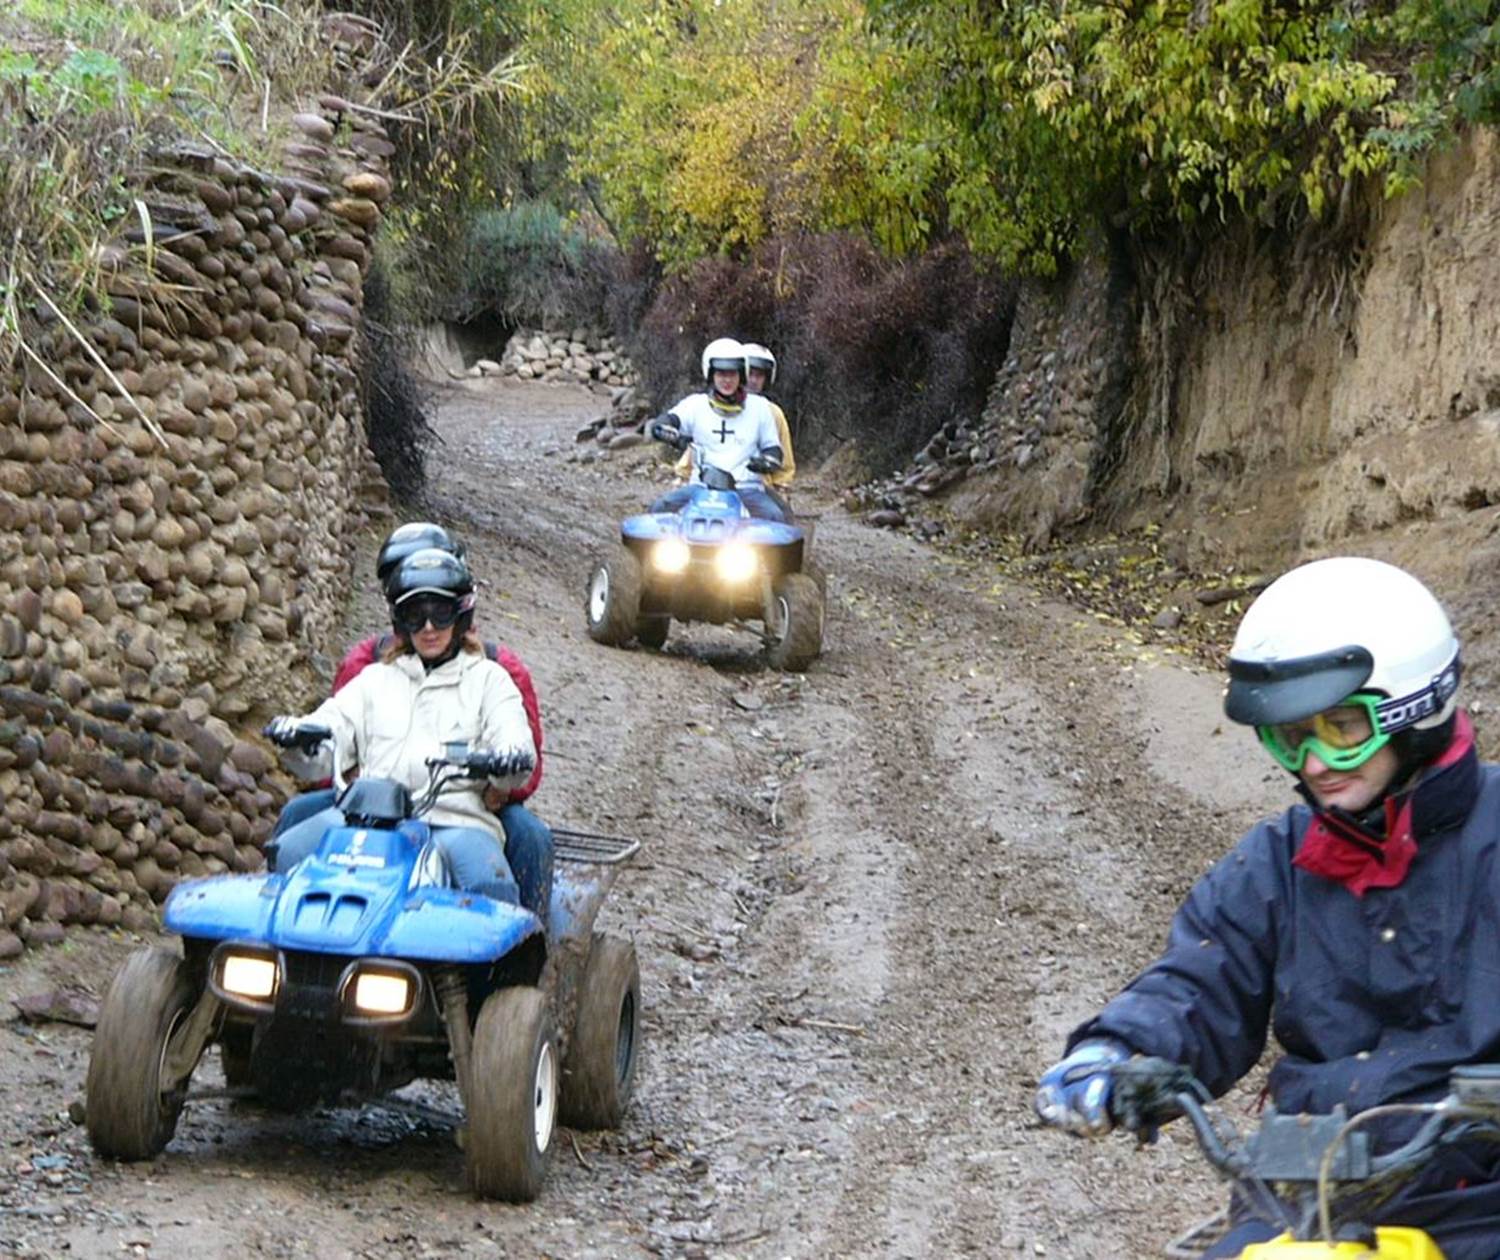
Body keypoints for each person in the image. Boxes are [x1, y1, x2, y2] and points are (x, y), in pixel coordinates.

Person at [1033, 556, 1500, 1259]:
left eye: (1342, 728)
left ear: (1414, 708)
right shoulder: (1277, 861)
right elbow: (1197, 981)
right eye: (1291, 734)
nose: (1314, 763)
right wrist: (1116, 1050)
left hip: (1479, 1199)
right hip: (1302, 1192)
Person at [270, 520, 553, 918]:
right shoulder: (374, 677)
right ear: (398, 618)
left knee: (489, 884)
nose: (429, 627)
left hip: (454, 820)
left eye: (439, 613)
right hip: (365, 822)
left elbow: (518, 744)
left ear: (461, 613)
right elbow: (333, 725)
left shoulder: (491, 678)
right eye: (414, 615)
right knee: (290, 851)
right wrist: (299, 738)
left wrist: (507, 762)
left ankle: (503, 978)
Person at [649, 336, 790, 523]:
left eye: (732, 374)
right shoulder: (695, 405)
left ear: (742, 374)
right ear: (710, 374)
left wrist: (768, 461)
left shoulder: (760, 408)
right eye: (721, 373)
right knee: (658, 510)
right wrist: (663, 428)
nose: (727, 380)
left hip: (747, 489)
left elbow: (773, 448)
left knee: (777, 518)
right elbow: (671, 419)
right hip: (701, 487)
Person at [675, 341, 795, 497]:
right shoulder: (707, 407)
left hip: (755, 488)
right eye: (750, 373)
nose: (753, 380)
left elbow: (784, 459)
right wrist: (683, 476)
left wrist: (781, 487)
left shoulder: (771, 412)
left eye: (759, 375)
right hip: (708, 485)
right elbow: (697, 449)